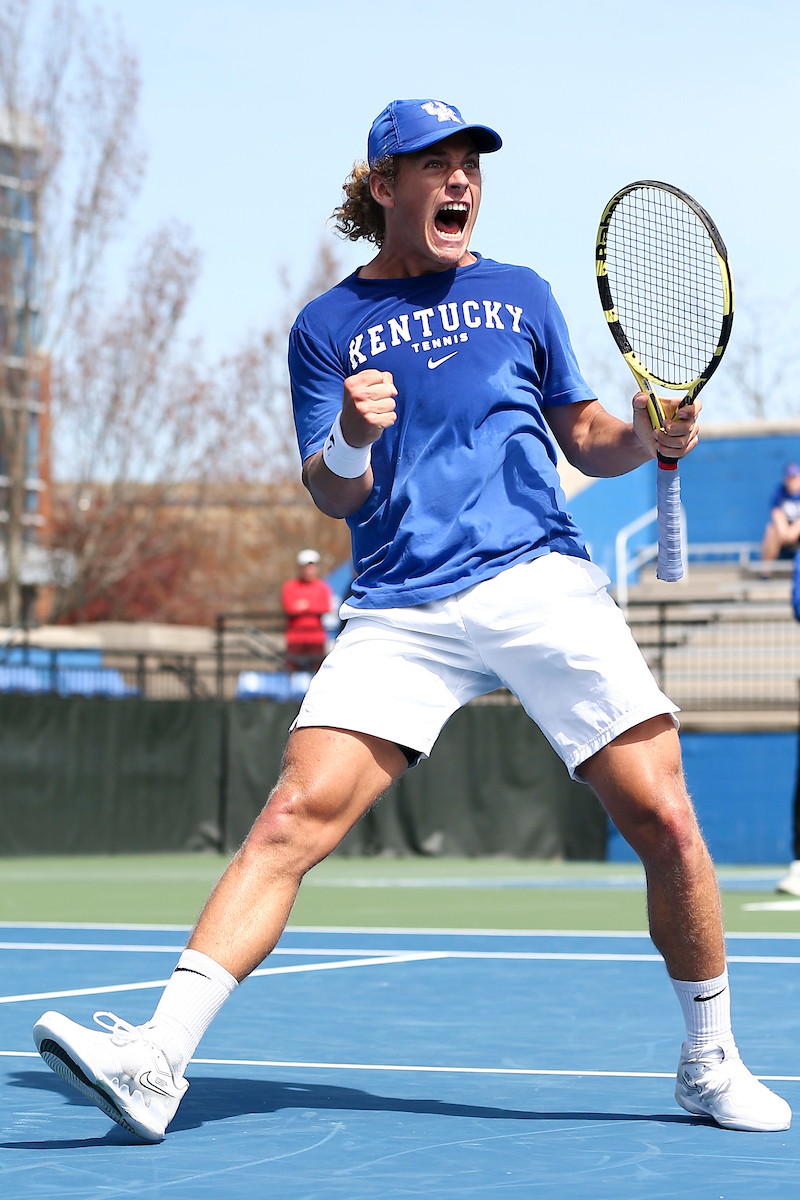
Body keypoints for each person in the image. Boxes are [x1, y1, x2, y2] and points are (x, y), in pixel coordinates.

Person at [33, 97, 791, 1141]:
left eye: (468, 164)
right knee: (291, 817)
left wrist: (647, 434)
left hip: (536, 576)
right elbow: (330, 492)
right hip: (397, 603)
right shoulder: (323, 326)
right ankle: (159, 1059)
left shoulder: (519, 294)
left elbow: (585, 434)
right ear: (382, 186)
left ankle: (708, 1060)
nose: (458, 181)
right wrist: (348, 432)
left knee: (662, 816)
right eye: (430, 165)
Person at [281, 548, 333, 672]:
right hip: (295, 637)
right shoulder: (290, 586)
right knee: (292, 668)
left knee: (316, 669)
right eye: (306, 566)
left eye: (312, 566)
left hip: (316, 638)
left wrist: (304, 605)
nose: (309, 570)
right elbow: (290, 607)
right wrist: (311, 606)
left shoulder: (322, 587)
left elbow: (325, 607)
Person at [761, 462, 800, 563]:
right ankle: (765, 572)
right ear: (785, 479)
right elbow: (777, 513)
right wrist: (784, 531)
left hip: (797, 529)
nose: (792, 481)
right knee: (771, 530)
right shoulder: (779, 492)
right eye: (789, 478)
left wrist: (795, 529)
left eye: (795, 477)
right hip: (784, 530)